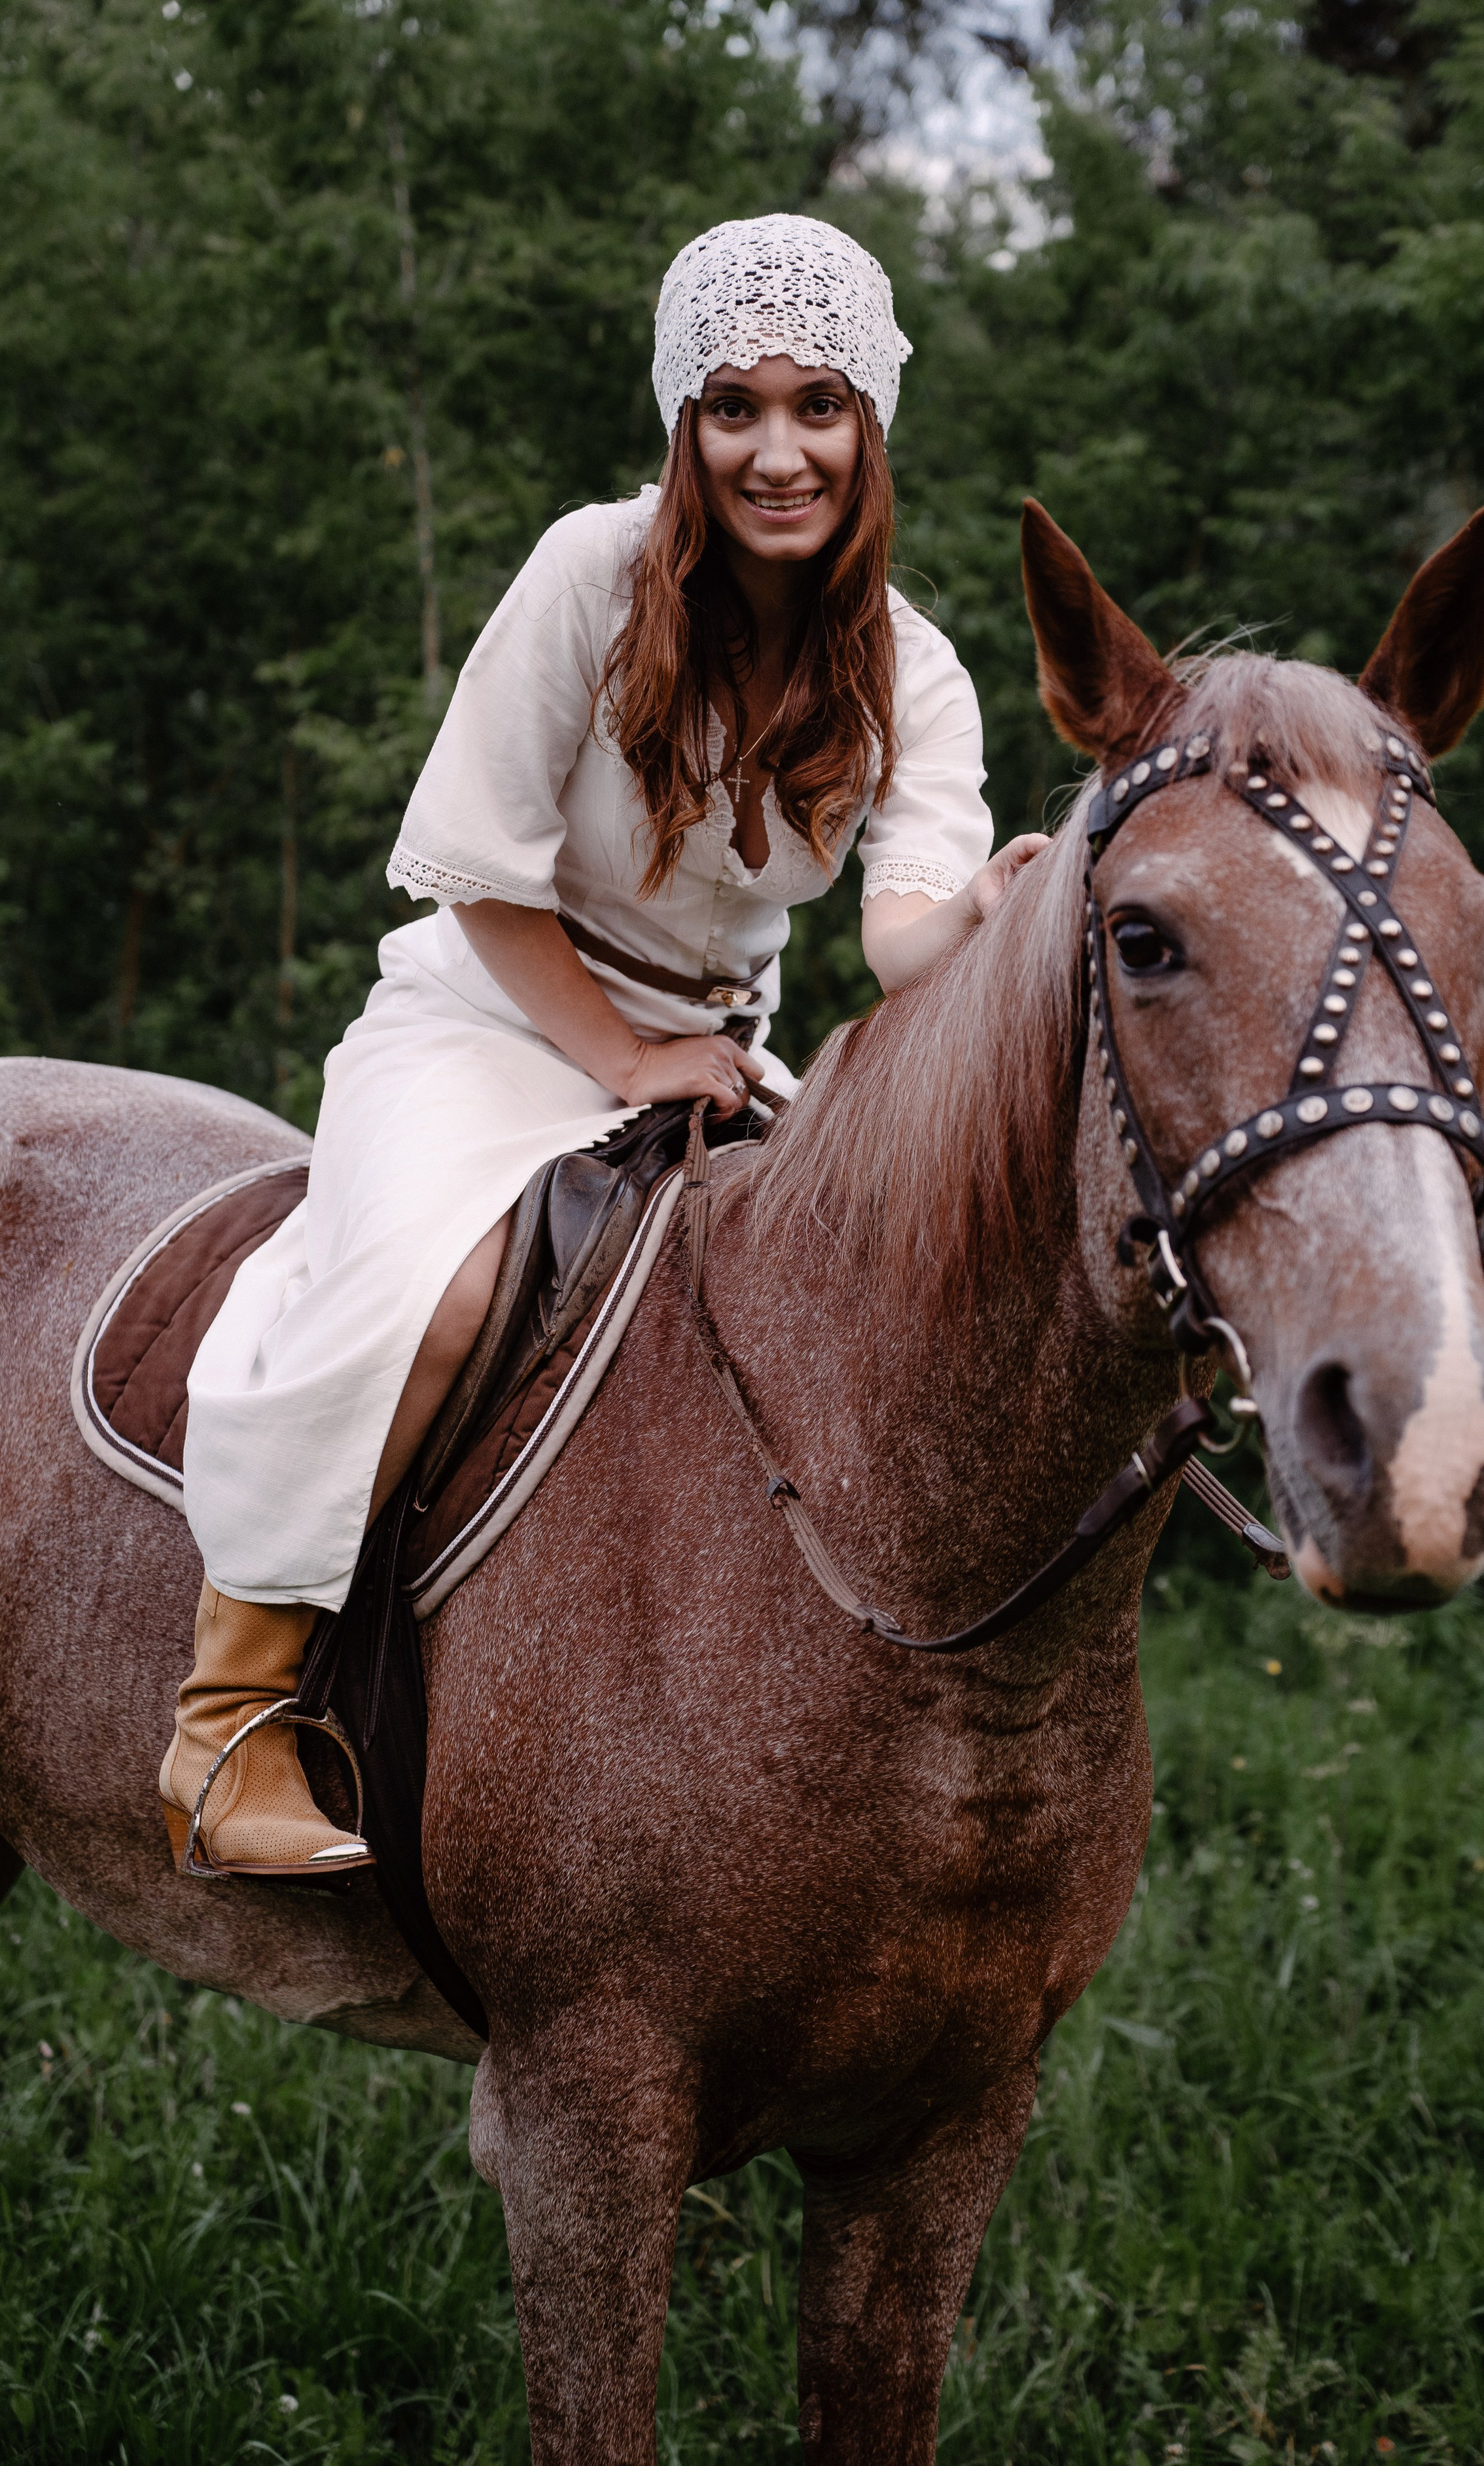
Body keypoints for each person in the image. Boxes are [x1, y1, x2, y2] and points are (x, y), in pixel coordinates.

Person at [163, 213, 1047, 1879]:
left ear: (870, 428)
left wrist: (996, 908)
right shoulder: (587, 568)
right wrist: (622, 1058)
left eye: (817, 406)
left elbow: (897, 938)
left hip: (711, 1049)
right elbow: (480, 877)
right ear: (682, 426)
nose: (776, 452)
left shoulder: (913, 674)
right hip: (490, 1012)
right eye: (733, 407)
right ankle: (229, 1729)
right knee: (421, 1288)